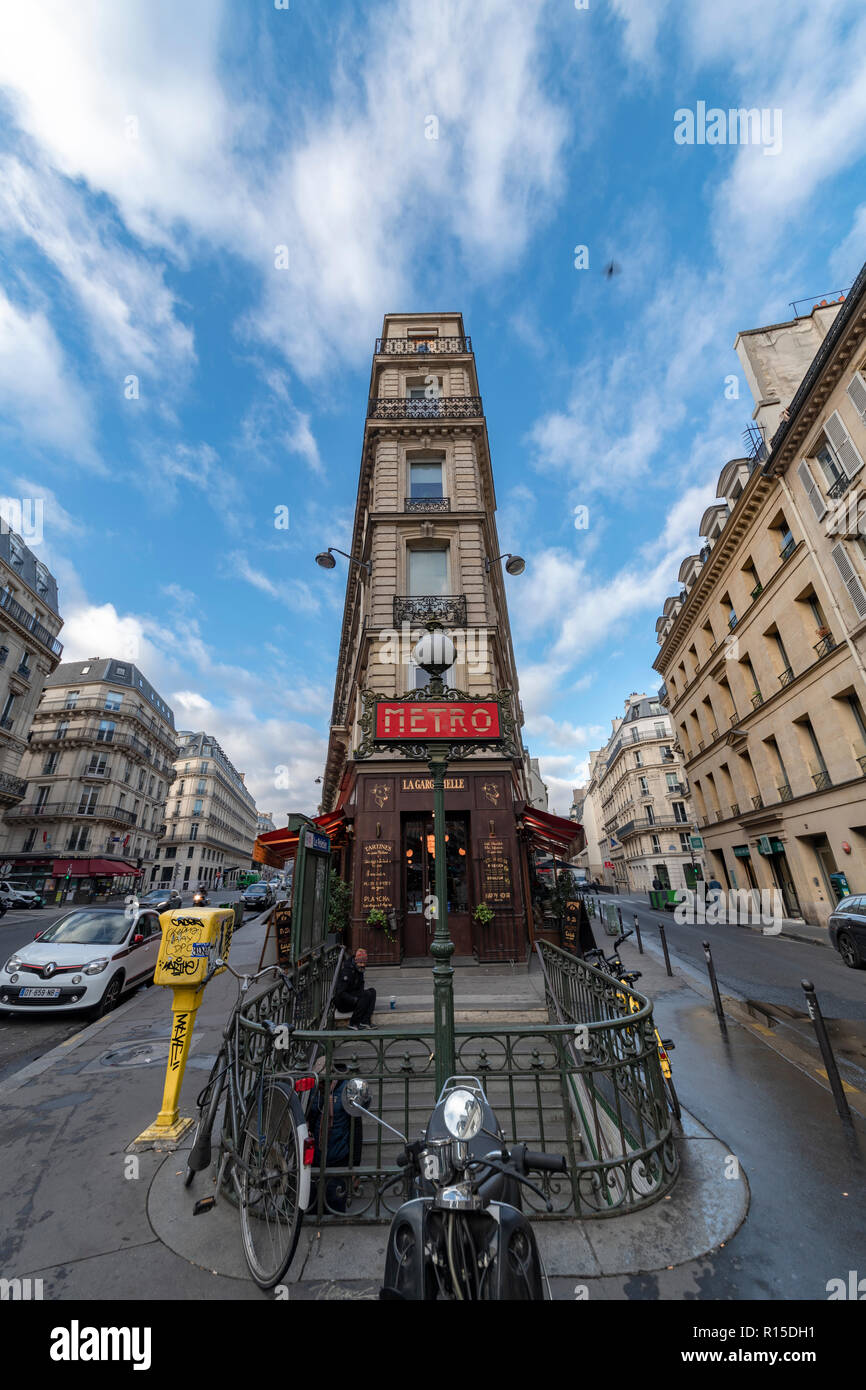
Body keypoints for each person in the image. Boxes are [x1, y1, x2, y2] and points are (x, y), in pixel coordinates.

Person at [335, 947, 376, 1029]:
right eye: (360, 963)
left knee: (372, 991)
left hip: (353, 996)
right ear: (356, 961)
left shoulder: (359, 969)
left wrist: (361, 998)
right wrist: (355, 1000)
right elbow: (341, 992)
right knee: (366, 995)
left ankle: (365, 1021)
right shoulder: (347, 971)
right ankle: (353, 1023)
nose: (362, 965)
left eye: (364, 963)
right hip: (343, 1003)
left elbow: (361, 986)